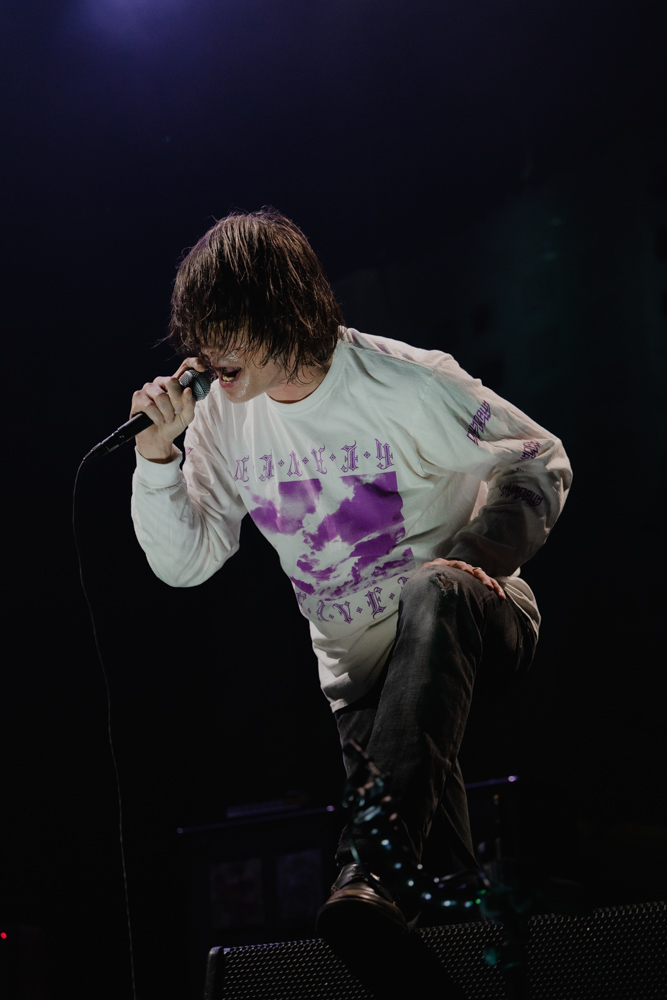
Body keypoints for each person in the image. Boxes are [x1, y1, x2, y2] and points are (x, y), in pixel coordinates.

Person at [130, 207, 571, 949]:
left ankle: (365, 865)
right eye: (201, 332)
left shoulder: (405, 382)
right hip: (364, 683)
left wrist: (477, 554)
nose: (210, 351)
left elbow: (541, 458)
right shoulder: (223, 418)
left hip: (471, 619)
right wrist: (157, 460)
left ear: (281, 307)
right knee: (437, 911)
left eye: (228, 326)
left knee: (432, 591)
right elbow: (186, 562)